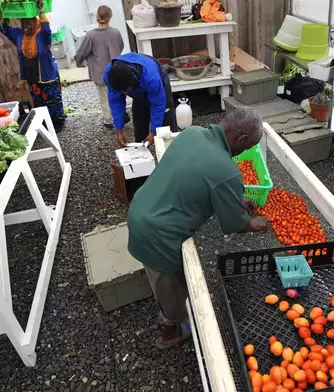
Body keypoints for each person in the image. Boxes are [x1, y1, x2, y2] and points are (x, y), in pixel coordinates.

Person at [127, 108, 270, 349]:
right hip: (159, 235)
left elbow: (194, 180)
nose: (242, 153)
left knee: (157, 274)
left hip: (141, 210)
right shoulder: (227, 171)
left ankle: (163, 302)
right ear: (242, 140)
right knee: (173, 285)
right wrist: (256, 224)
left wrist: (233, 198)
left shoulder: (191, 133)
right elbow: (237, 224)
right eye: (246, 148)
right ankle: (170, 330)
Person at [0, 2, 66, 128]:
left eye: (28, 23)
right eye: (23, 23)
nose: (26, 26)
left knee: (52, 100)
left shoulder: (42, 35)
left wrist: (41, 10)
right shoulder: (19, 36)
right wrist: (2, 12)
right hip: (32, 77)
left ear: (35, 23)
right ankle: (44, 123)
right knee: (38, 101)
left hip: (46, 75)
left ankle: (57, 123)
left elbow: (46, 27)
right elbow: (3, 29)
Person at [103, 53, 176, 148]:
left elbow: (158, 104)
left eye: (127, 91)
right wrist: (119, 129)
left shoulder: (151, 78)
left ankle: (171, 151)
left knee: (165, 127)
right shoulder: (109, 76)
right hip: (137, 87)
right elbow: (116, 101)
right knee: (140, 122)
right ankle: (142, 153)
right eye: (123, 92)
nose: (125, 94)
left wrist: (154, 132)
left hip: (156, 78)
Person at [74, 5, 125, 129]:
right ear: (110, 17)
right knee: (117, 94)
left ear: (97, 17)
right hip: (115, 69)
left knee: (104, 97)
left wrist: (78, 60)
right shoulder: (115, 32)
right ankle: (120, 117)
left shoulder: (91, 35)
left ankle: (108, 120)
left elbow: (82, 52)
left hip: (100, 71)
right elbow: (121, 46)